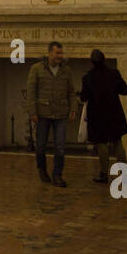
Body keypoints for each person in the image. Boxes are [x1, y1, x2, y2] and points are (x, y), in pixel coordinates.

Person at [26, 41, 76, 187]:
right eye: (57, 53)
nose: (60, 56)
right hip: (42, 114)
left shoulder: (66, 71)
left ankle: (57, 175)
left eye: (61, 53)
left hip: (61, 114)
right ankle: (42, 170)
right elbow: (31, 92)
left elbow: (71, 92)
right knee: (40, 145)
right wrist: (33, 112)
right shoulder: (36, 69)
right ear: (49, 53)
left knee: (60, 146)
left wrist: (73, 108)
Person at [79, 49, 127, 182]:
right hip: (114, 112)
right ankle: (124, 175)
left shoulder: (88, 77)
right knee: (118, 142)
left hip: (97, 115)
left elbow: (84, 97)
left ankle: (103, 174)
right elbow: (125, 90)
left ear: (92, 62)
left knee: (102, 144)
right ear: (104, 59)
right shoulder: (114, 73)